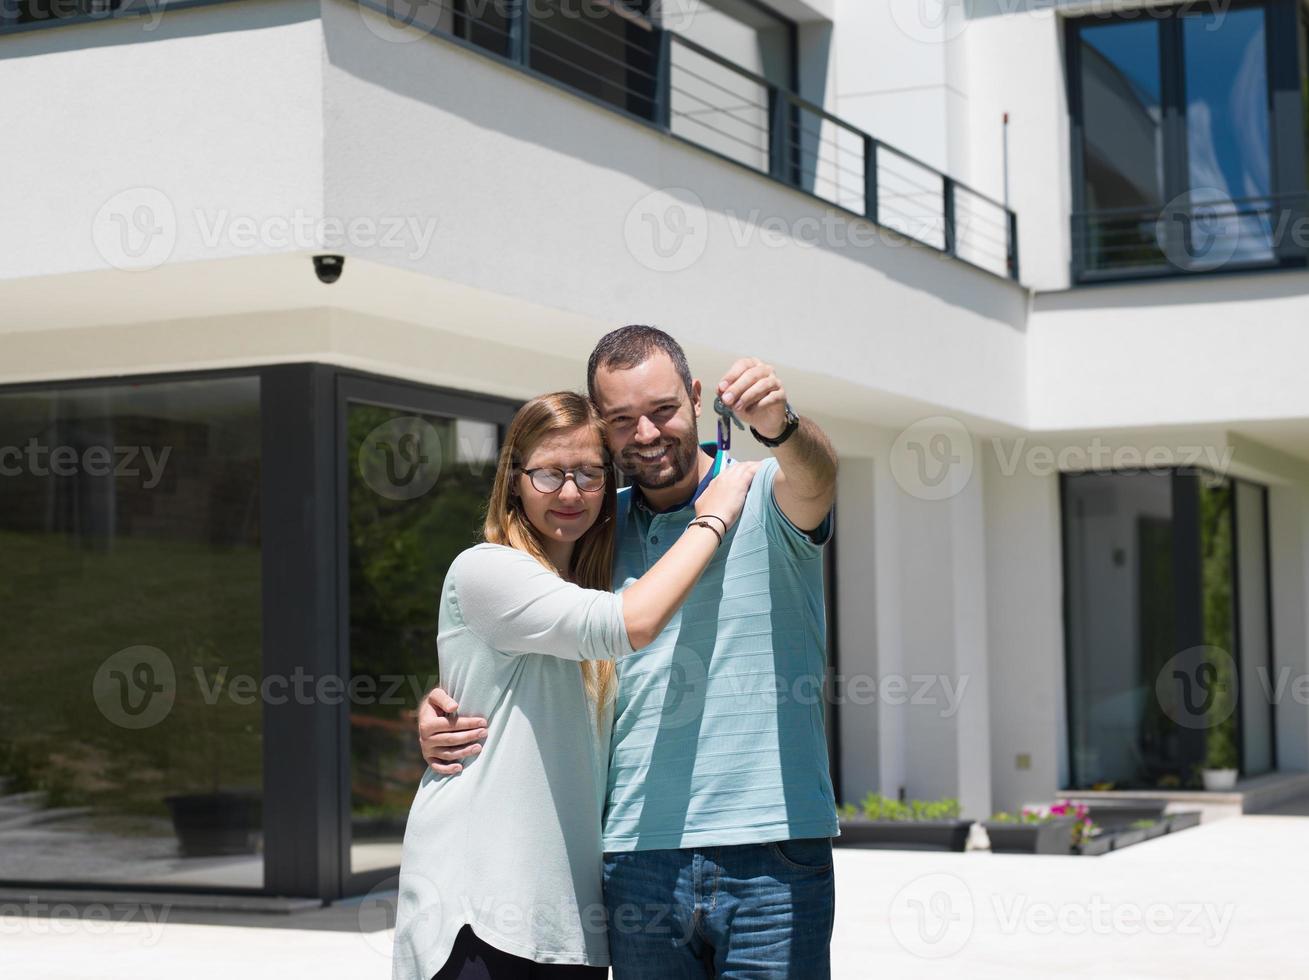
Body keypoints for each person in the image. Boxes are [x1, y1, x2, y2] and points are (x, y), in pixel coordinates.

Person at [418, 327, 841, 980]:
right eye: (621, 421)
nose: (645, 434)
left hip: (772, 849)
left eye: (662, 410)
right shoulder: (591, 529)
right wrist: (446, 705)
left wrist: (781, 428)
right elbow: (520, 627)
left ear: (696, 397)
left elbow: (819, 474)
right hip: (635, 858)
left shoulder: (766, 492)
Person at [392, 390, 760, 980]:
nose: (569, 493)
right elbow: (629, 624)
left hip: (567, 924)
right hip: (482, 910)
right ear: (514, 480)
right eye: (548, 474)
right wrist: (712, 516)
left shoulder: (589, 581)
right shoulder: (487, 568)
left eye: (589, 474)